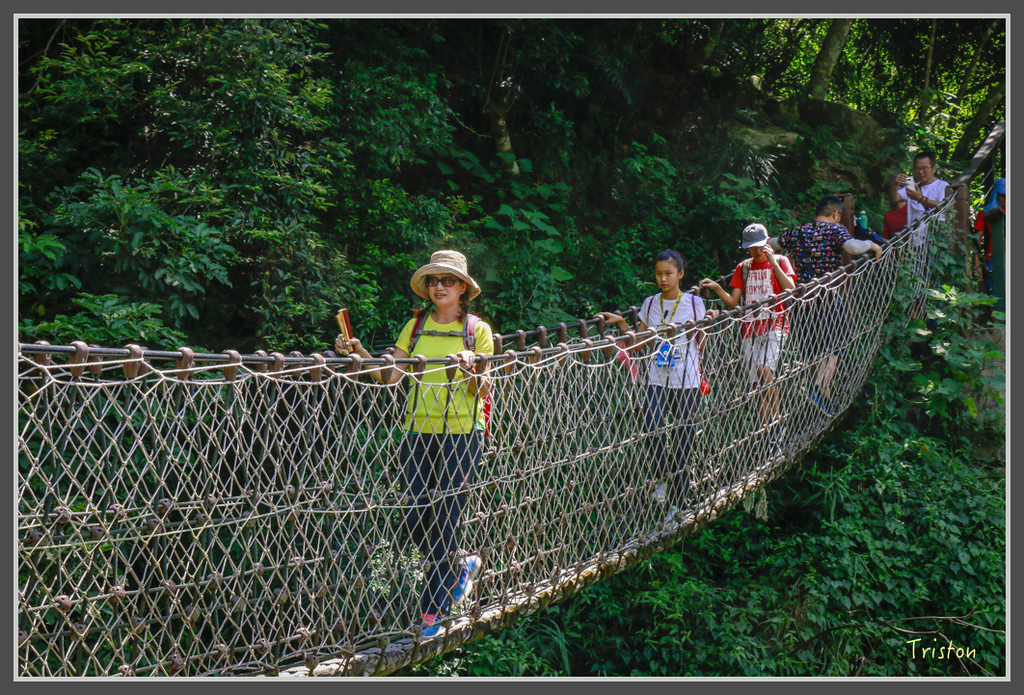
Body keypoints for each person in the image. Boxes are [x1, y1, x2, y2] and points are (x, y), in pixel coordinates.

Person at [336, 249, 493, 638]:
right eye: (434, 281)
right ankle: (460, 565)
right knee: (413, 514)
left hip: (461, 432)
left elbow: (483, 388)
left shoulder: (478, 331)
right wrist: (361, 353)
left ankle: (434, 610)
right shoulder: (415, 326)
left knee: (444, 518)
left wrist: (469, 367)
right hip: (417, 431)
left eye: (448, 281)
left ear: (463, 289)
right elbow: (389, 376)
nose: (440, 286)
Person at [598, 250, 713, 521]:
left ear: (680, 275)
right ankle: (664, 479)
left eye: (669, 273)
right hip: (656, 378)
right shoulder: (649, 304)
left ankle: (677, 504)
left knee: (683, 438)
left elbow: (701, 344)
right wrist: (623, 324)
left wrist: (706, 326)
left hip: (686, 379)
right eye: (659, 273)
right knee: (651, 427)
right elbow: (641, 343)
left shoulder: (695, 304)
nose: (663, 279)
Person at [768, 195, 882, 414]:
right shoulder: (835, 230)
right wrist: (871, 244)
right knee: (835, 348)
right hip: (827, 299)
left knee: (812, 352)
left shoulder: (798, 232)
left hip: (801, 302)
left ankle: (823, 405)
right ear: (837, 214)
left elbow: (771, 243)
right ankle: (817, 390)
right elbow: (853, 248)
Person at [699, 223, 796, 434]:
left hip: (775, 324)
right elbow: (734, 303)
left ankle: (777, 422)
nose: (757, 251)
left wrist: (773, 262)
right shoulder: (743, 267)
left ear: (768, 242)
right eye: (752, 247)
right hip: (750, 330)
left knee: (764, 370)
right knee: (756, 386)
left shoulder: (781, 261)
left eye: (761, 245)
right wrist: (717, 288)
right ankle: (767, 434)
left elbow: (791, 290)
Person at [887, 151, 950, 248]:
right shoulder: (912, 186)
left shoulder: (942, 185)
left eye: (924, 168)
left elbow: (944, 207)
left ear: (934, 169)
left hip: (935, 240)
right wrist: (896, 184)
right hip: (915, 242)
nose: (920, 172)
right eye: (917, 168)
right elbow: (894, 198)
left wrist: (921, 199)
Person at [974, 177, 1006, 295]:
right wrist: (977, 265)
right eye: (1003, 195)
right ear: (996, 193)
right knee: (995, 297)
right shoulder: (985, 213)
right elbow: (977, 239)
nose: (1006, 199)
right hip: (993, 260)